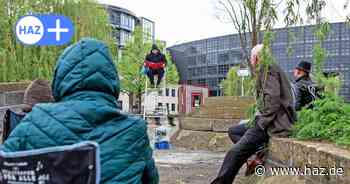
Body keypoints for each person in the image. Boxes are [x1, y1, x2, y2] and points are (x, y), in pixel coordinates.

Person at [2, 38, 159, 184]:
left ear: (60, 78)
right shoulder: (135, 131)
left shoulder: (34, 121)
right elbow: (151, 180)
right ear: (112, 80)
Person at [211, 44, 296, 184]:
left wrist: (261, 122)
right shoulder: (269, 68)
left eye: (251, 57)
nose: (251, 61)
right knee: (234, 131)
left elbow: (273, 100)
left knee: (234, 154)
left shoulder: (268, 69)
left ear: (257, 58)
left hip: (272, 123)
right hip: (268, 119)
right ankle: (256, 155)